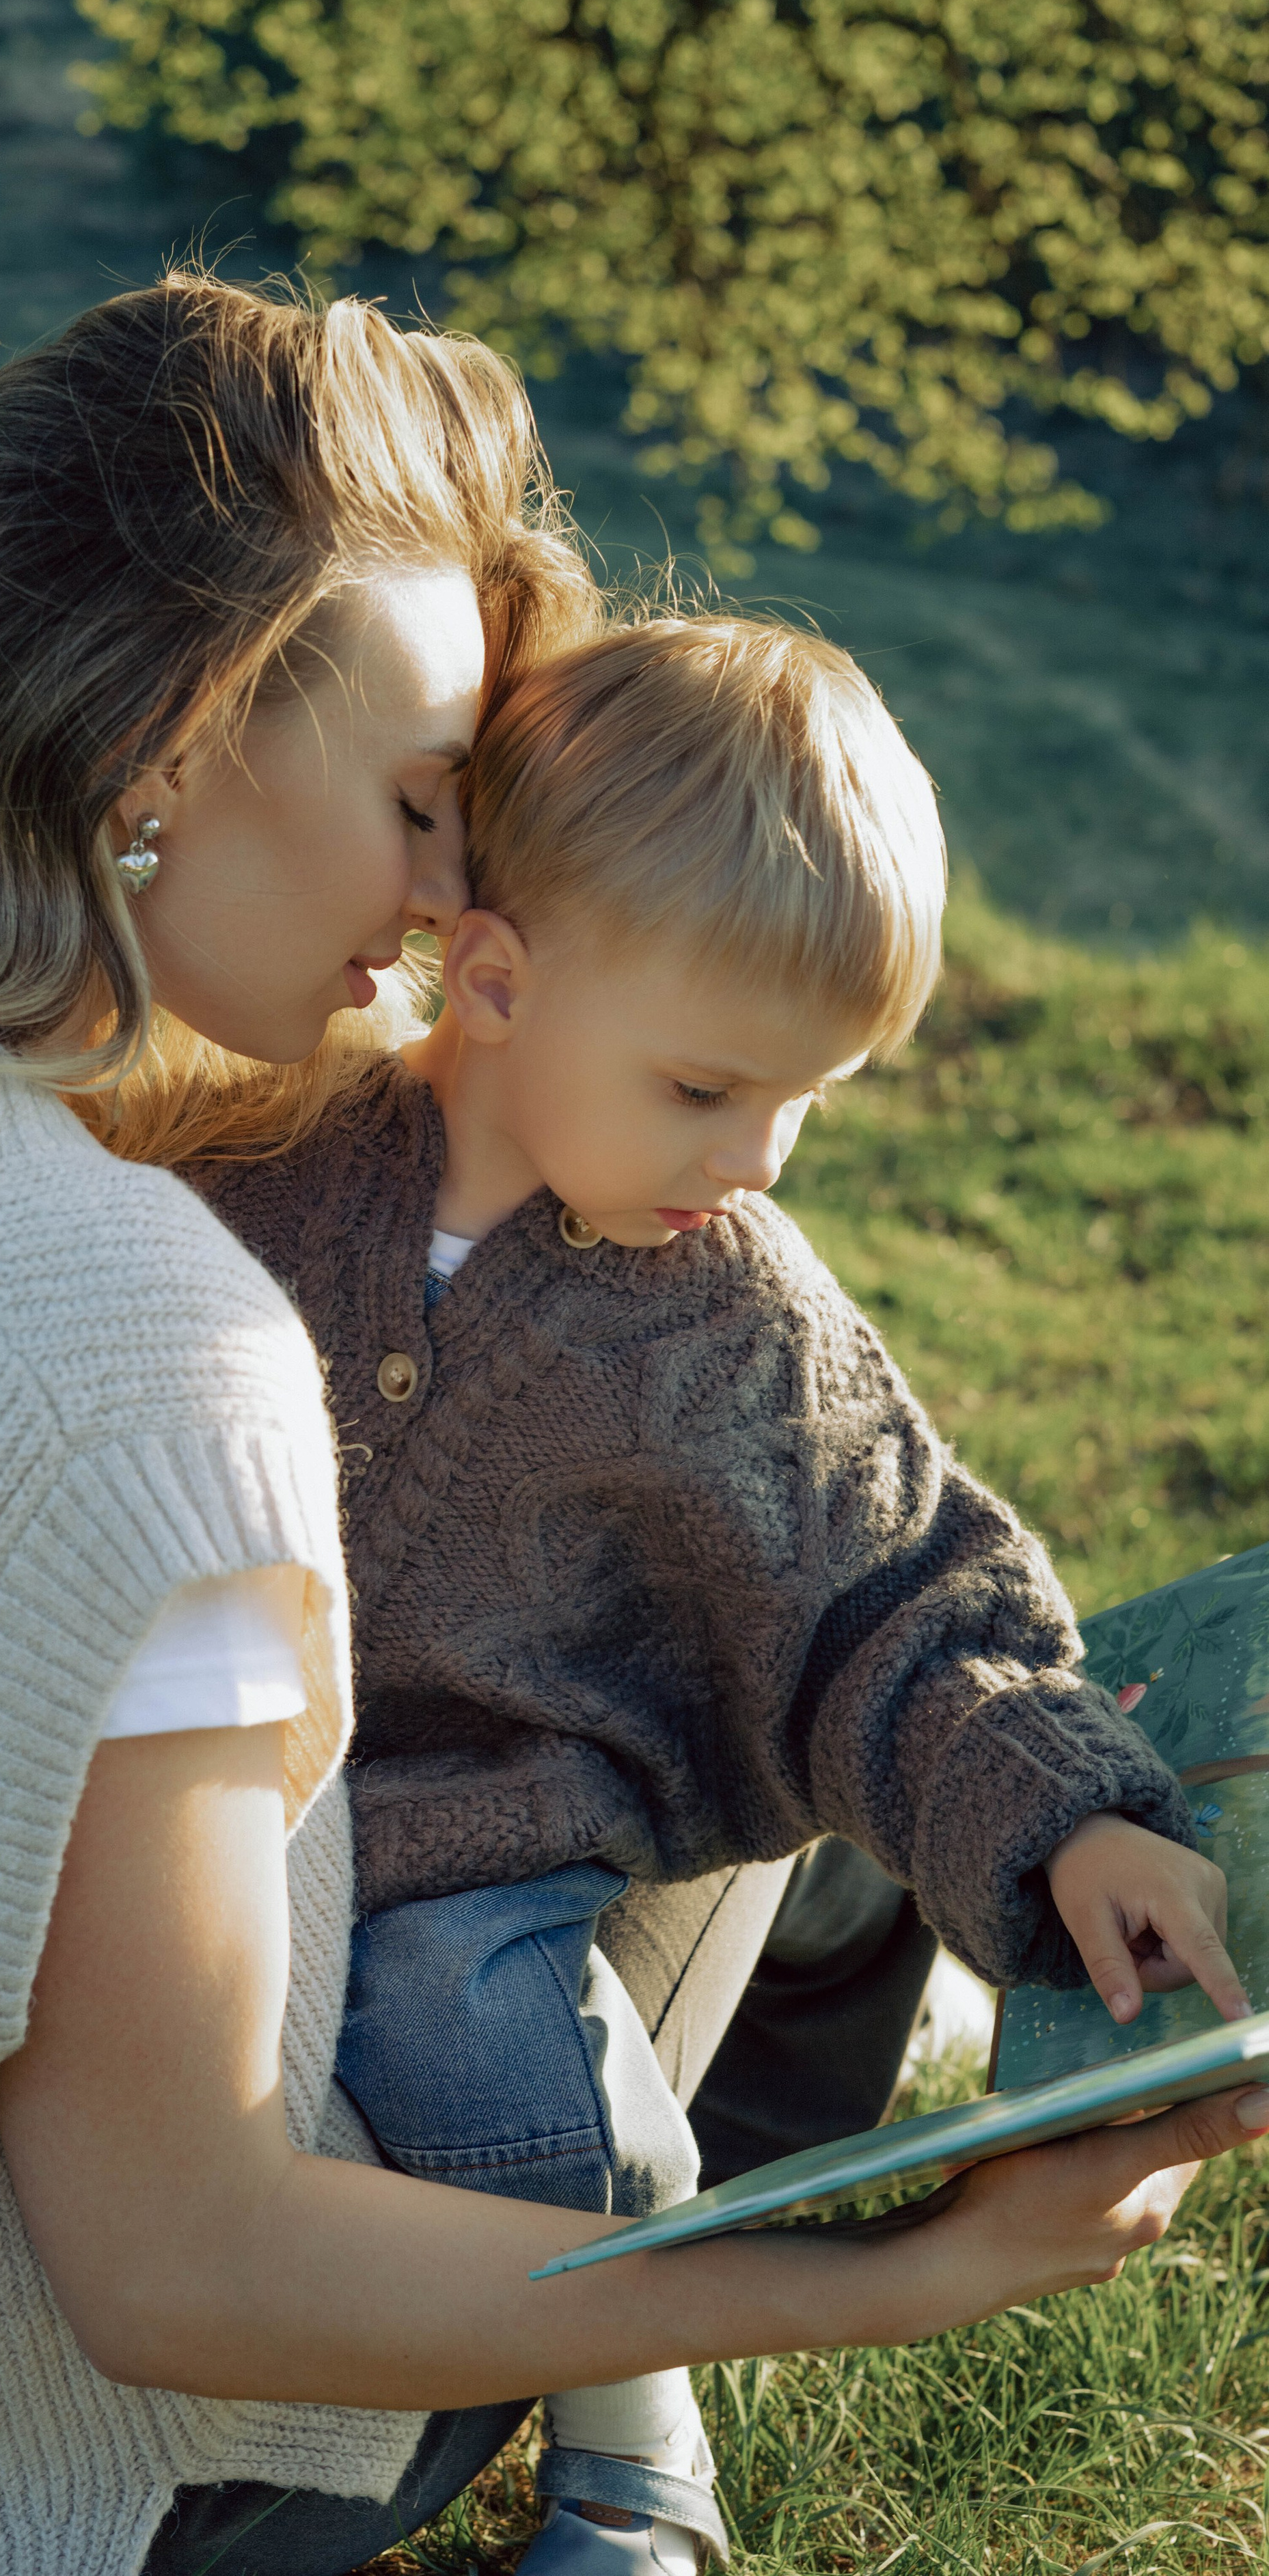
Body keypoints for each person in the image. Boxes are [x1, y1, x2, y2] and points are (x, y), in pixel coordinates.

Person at [0, 281, 1260, 2576]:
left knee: (772, 1593)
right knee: (744, 1649)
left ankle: (997, 1841)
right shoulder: (153, 1320)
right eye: (431, 804)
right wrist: (885, 2279)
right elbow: (178, 2272)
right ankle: (718, 2320)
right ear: (173, 727)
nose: (458, 898)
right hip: (9, 2453)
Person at [180, 616, 1252, 2572]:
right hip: (196, 1810)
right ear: (493, 979)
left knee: (476, 2060)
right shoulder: (264, 1157)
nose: (755, 1160)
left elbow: (907, 1597)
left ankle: (633, 2441)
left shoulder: (736, 1320)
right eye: (704, 1087)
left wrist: (1076, 1811)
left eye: (806, 1101)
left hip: (469, 1848)